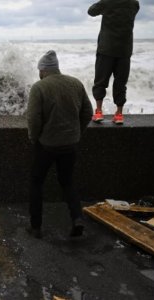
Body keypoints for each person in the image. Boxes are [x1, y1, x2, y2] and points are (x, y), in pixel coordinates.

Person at [26, 50, 93, 238]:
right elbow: (88, 112)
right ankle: (77, 218)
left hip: (47, 145)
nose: (39, 73)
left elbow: (33, 119)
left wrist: (34, 138)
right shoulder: (75, 83)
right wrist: (76, 133)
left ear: (43, 70)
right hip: (70, 145)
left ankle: (36, 226)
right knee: (68, 182)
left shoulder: (39, 87)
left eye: (39, 70)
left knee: (36, 182)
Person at [88, 0, 140, 124]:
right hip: (124, 50)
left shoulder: (107, 2)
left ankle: (99, 112)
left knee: (100, 81)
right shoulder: (134, 3)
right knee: (121, 83)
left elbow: (91, 11)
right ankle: (119, 114)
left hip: (106, 49)